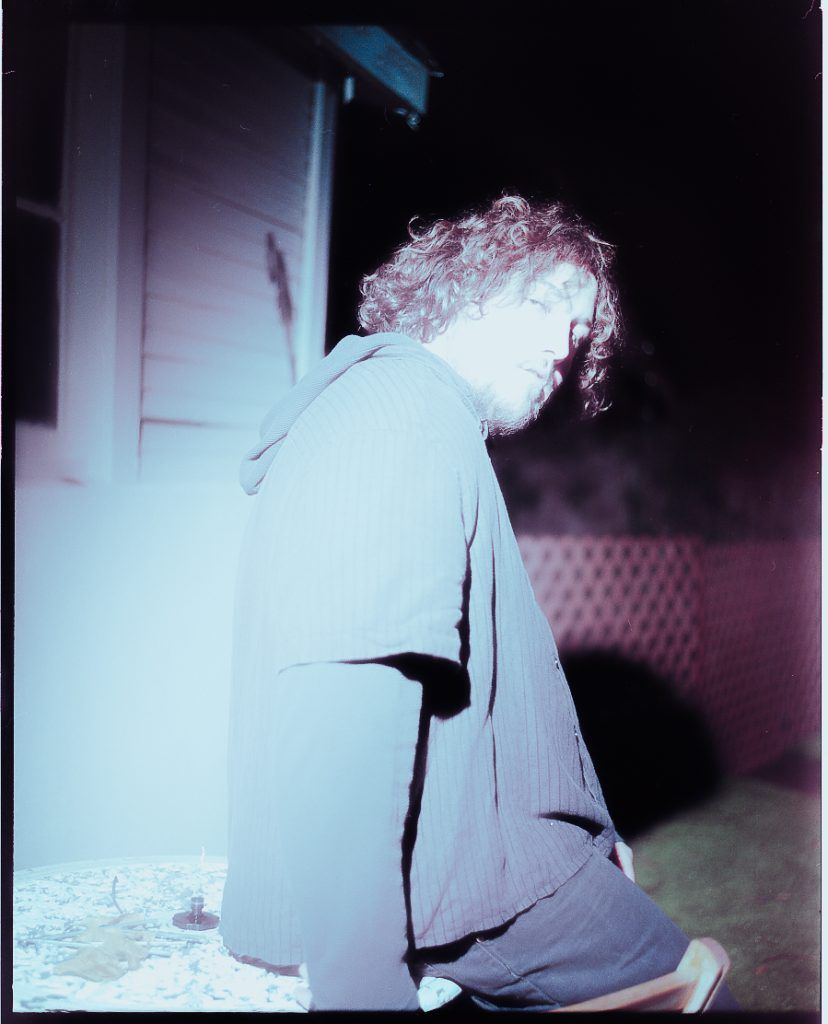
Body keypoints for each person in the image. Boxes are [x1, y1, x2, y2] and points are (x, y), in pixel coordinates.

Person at [219, 195, 737, 1011]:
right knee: (709, 1005)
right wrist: (362, 993)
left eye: (578, 331)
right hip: (492, 894)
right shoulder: (403, 412)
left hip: (486, 871)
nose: (563, 344)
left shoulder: (405, 413)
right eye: (543, 302)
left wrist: (590, 830)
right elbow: (343, 701)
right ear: (463, 285)